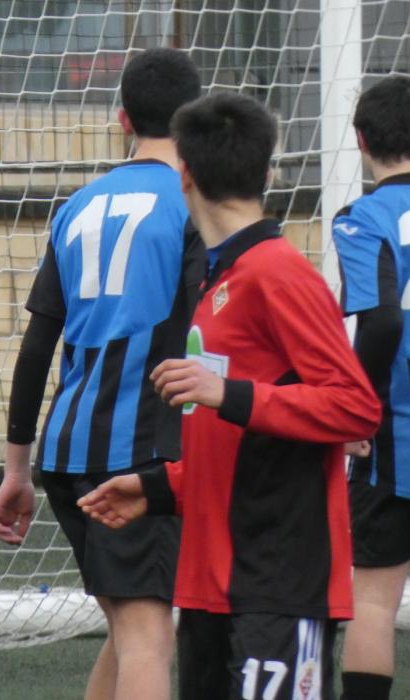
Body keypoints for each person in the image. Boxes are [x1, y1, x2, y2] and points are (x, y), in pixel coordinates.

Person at [78, 92, 382, 700]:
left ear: (184, 174)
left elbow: (356, 408)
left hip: (277, 587)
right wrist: (161, 488)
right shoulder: (221, 278)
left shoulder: (280, 273)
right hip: (210, 588)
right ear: (267, 172)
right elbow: (243, 445)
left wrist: (229, 392)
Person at [0, 48, 204, 700]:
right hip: (139, 454)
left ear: (122, 119)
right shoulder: (193, 206)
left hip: (65, 452)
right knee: (147, 636)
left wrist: (17, 469)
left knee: (128, 628)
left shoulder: (77, 206)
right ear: (195, 118)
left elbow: (37, 345)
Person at [331, 74, 410, 700]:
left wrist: (356, 409)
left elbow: (381, 321)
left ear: (360, 140)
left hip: (395, 434)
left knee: (375, 599)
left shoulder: (364, 218)